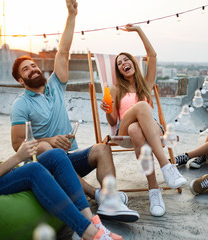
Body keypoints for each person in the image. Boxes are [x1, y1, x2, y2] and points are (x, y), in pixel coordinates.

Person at [0, 1, 123, 239]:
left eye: (34, 65)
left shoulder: (52, 87)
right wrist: (20, 156)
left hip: (53, 159)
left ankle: (92, 219)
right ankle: (89, 232)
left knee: (61, 154)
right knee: (39, 161)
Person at [9, 1, 138, 222]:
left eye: (33, 65)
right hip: (42, 165)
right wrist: (50, 139)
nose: (33, 69)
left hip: (67, 159)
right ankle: (95, 194)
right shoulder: (21, 104)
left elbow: (63, 50)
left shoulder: (55, 85)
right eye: (26, 69)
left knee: (102, 149)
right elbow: (17, 143)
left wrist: (71, 15)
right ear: (21, 80)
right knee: (45, 145)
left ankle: (110, 200)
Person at [100, 24, 187, 217]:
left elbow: (152, 55)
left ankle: (154, 191)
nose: (123, 63)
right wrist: (107, 109)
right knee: (140, 109)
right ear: (120, 71)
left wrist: (138, 30)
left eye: (126, 59)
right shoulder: (115, 89)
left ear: (133, 63)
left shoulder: (147, 83)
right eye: (119, 63)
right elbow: (113, 119)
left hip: (146, 130)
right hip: (122, 130)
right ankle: (167, 167)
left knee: (136, 130)